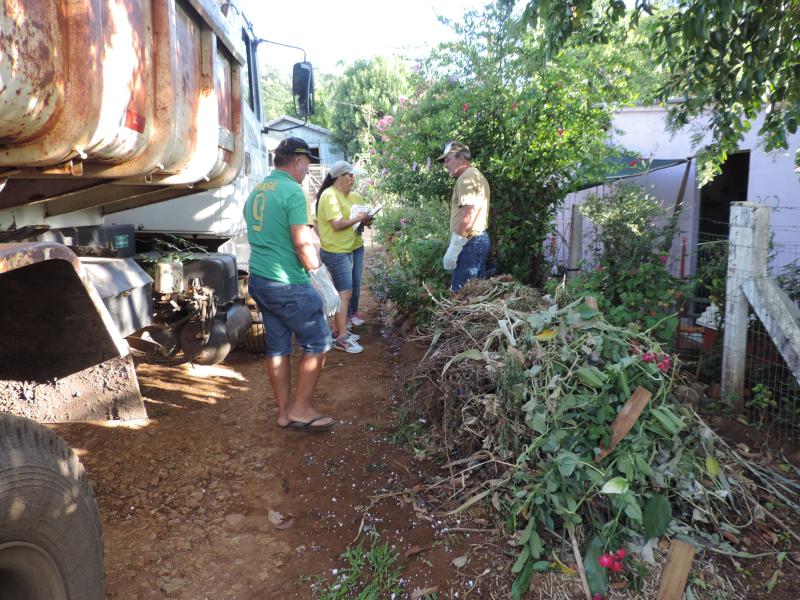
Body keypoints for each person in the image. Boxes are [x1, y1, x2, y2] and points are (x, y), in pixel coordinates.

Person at [243, 137, 341, 430]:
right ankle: (301, 409)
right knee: (318, 342)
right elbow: (302, 243)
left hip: (260, 280)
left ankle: (285, 412)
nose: (307, 170)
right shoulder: (293, 192)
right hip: (288, 284)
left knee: (278, 347)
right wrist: (323, 282)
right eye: (307, 163)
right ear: (297, 161)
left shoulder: (257, 190)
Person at [315, 161, 371, 353]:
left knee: (343, 293)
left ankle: (339, 332)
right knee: (344, 294)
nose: (352, 179)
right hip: (335, 251)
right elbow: (337, 224)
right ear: (340, 176)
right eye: (350, 175)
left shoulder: (337, 194)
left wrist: (362, 219)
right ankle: (342, 339)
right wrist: (359, 217)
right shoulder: (330, 195)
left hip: (342, 249)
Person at [436, 141, 491, 293]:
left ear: (461, 158)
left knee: (460, 295)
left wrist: (455, 246)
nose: (445, 165)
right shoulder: (476, 175)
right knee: (475, 295)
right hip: (478, 239)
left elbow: (469, 213)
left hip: (470, 242)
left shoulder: (465, 178)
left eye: (448, 160)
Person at [343, 187, 370, 327]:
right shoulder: (333, 197)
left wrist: (367, 219)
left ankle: (353, 312)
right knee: (345, 283)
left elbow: (364, 222)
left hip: (357, 245)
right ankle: (345, 316)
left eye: (352, 177)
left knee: (356, 281)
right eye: (349, 177)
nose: (351, 180)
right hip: (342, 247)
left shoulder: (356, 196)